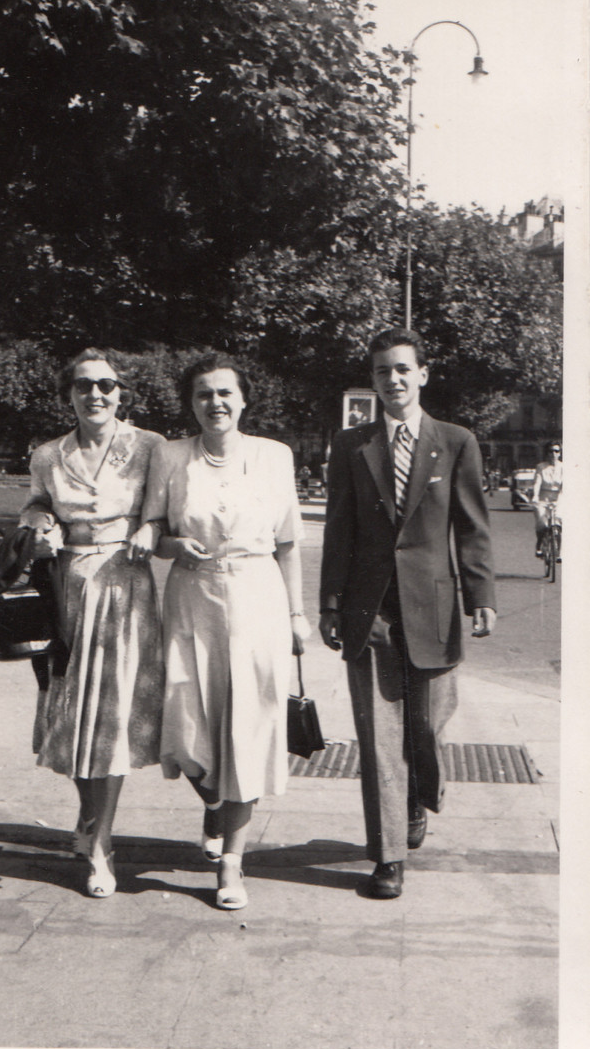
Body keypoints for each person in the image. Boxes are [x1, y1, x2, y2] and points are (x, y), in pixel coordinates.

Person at [319, 328, 496, 899]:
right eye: (381, 372)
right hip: (370, 610)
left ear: (422, 374)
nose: (392, 380)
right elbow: (339, 532)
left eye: (402, 369)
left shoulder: (456, 441)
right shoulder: (352, 447)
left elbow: (471, 526)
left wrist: (481, 596)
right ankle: (388, 855)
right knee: (378, 737)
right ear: (372, 381)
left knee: (426, 723)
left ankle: (419, 791)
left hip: (435, 608)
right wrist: (330, 605)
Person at [141, 352, 310, 910]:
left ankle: (232, 864)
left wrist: (295, 614)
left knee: (250, 727)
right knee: (188, 723)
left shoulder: (273, 456)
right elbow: (153, 529)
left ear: (243, 400)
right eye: (203, 394)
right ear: (191, 403)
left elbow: (287, 544)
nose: (215, 403)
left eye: (225, 393)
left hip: (257, 596)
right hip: (192, 597)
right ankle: (215, 797)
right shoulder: (170, 456)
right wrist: (169, 545)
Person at [20, 347, 165, 899]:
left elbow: (164, 507)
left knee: (112, 720)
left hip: (126, 586)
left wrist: (151, 527)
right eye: (83, 386)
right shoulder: (48, 455)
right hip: (68, 589)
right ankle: (90, 819)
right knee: (74, 717)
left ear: (120, 392)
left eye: (106, 385)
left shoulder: (149, 447)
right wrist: (41, 525)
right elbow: (35, 505)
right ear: (69, 396)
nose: (96, 395)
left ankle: (101, 844)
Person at [530, 441, 563, 561]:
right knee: (542, 523)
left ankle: (559, 552)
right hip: (542, 498)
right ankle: (539, 544)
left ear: (559, 453)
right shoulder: (541, 467)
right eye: (551, 451)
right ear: (547, 453)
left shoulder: (564, 467)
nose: (553, 454)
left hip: (559, 498)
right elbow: (537, 483)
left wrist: (560, 499)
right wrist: (535, 496)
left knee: (559, 522)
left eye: (556, 451)